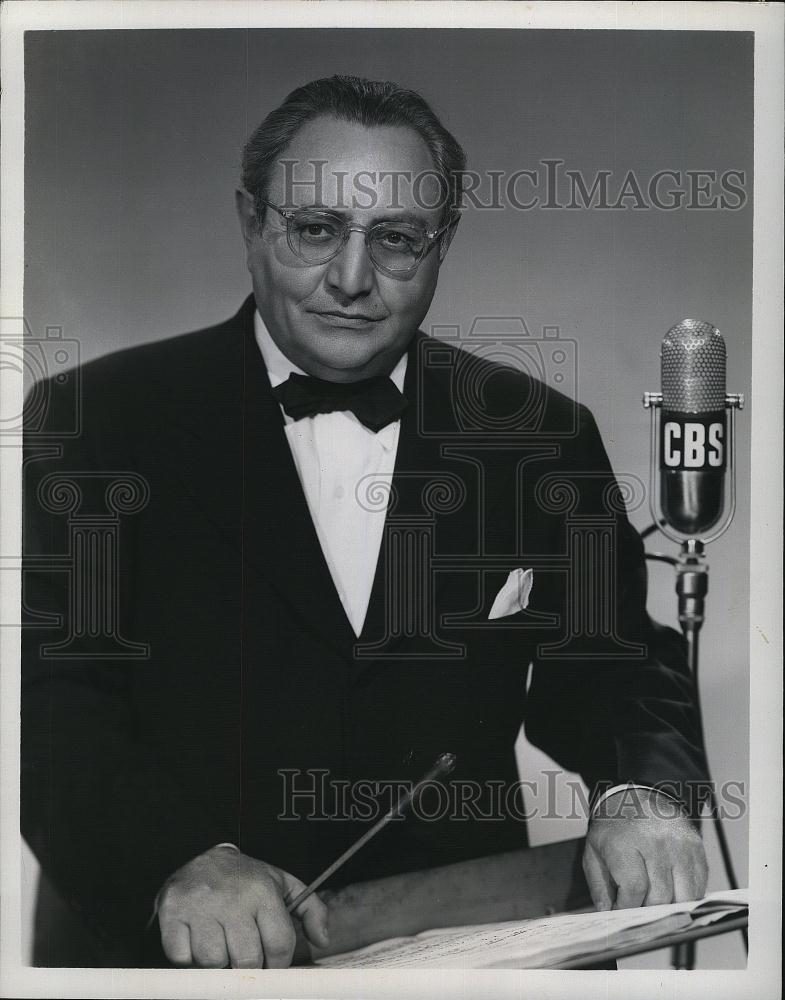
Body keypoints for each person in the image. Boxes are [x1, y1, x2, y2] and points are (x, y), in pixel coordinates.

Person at [22, 75, 708, 969]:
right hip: (164, 957)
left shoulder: (539, 434)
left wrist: (640, 793)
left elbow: (616, 666)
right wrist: (174, 862)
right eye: (314, 230)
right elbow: (47, 703)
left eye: (395, 240)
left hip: (464, 950)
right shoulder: (96, 417)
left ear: (443, 244)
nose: (350, 280)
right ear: (249, 222)